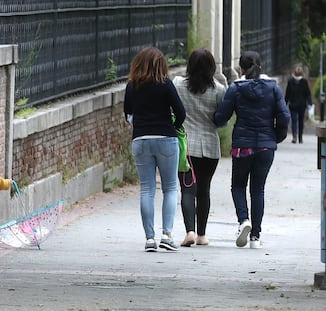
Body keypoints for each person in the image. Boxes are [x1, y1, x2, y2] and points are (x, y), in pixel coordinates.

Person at [213, 51, 290, 249]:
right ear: (261, 67)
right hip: (265, 146)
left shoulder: (236, 88)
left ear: (241, 69)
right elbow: (284, 116)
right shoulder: (273, 88)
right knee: (258, 189)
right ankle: (255, 236)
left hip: (243, 145)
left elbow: (222, 116)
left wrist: (215, 121)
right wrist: (275, 137)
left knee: (238, 185)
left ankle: (243, 220)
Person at [124, 47, 186, 252]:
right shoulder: (165, 85)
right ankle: (166, 235)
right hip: (166, 138)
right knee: (170, 188)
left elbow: (128, 115)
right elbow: (181, 112)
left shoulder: (132, 86)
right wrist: (173, 127)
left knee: (147, 189)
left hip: (141, 139)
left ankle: (149, 238)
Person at [173, 48, 226, 247]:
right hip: (210, 148)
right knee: (204, 190)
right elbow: (221, 121)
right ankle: (203, 235)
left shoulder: (178, 85)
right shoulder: (220, 90)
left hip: (186, 147)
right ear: (212, 67)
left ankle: (189, 231)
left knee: (188, 190)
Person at [284, 66, 312, 143]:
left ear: (294, 73)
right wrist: (310, 103)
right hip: (302, 105)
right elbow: (308, 94)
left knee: (294, 121)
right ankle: (300, 137)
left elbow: (287, 94)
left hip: (293, 105)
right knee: (301, 121)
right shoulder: (304, 82)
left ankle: (294, 136)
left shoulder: (290, 81)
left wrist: (284, 104)